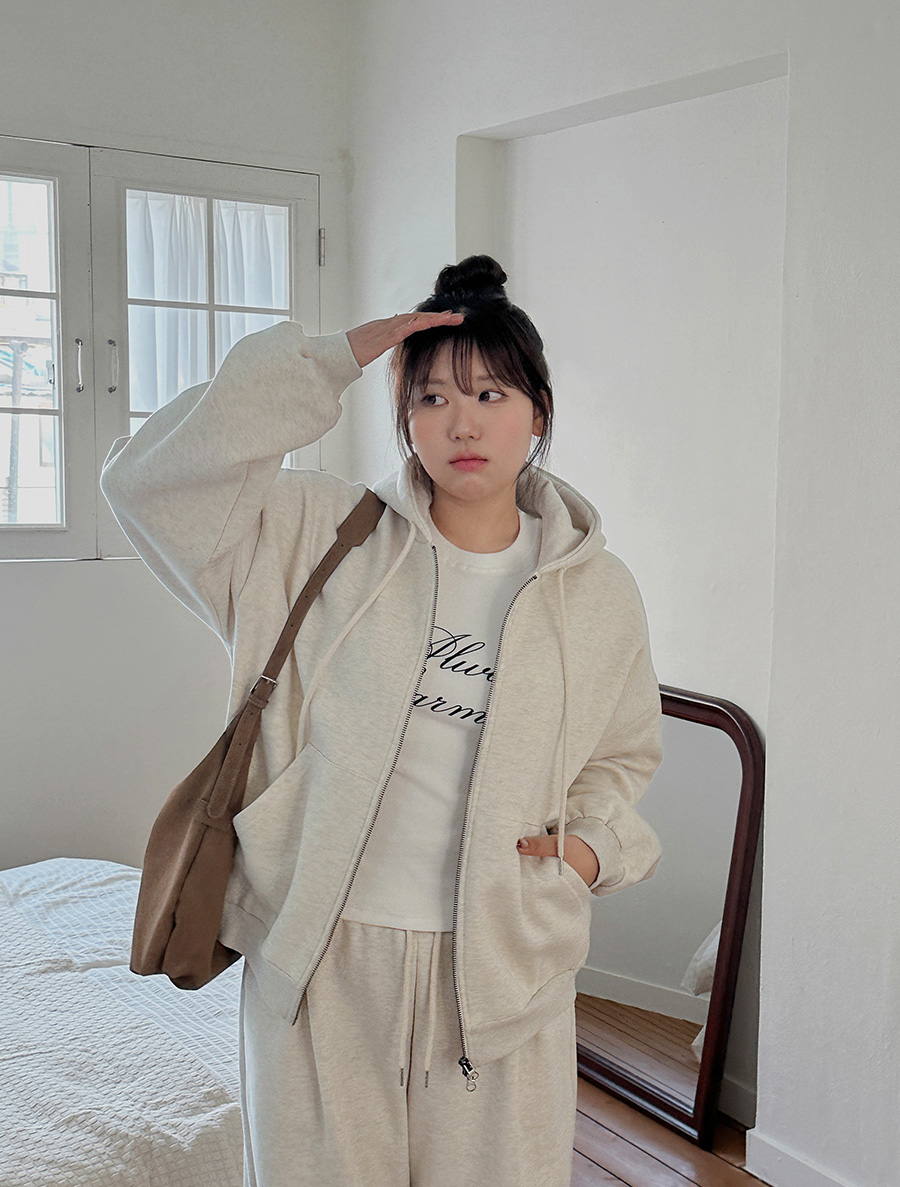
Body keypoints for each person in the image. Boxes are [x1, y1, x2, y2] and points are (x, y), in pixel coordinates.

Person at [100, 254, 663, 1187]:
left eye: (489, 394)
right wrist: (331, 359)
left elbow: (623, 754)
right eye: (431, 397)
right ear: (404, 416)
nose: (462, 422)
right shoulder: (318, 533)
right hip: (322, 958)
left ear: (539, 412)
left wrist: (592, 849)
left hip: (503, 967)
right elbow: (147, 480)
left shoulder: (596, 591)